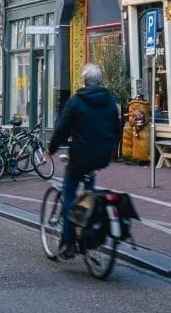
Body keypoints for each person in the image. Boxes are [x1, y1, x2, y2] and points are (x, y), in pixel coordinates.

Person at [46, 63, 121, 259]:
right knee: (90, 192)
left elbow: (62, 128)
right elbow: (117, 126)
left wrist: (51, 149)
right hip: (102, 155)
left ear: (84, 81)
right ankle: (91, 223)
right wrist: (113, 149)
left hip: (81, 156)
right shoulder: (110, 100)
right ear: (100, 81)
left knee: (69, 192)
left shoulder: (77, 101)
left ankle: (69, 241)